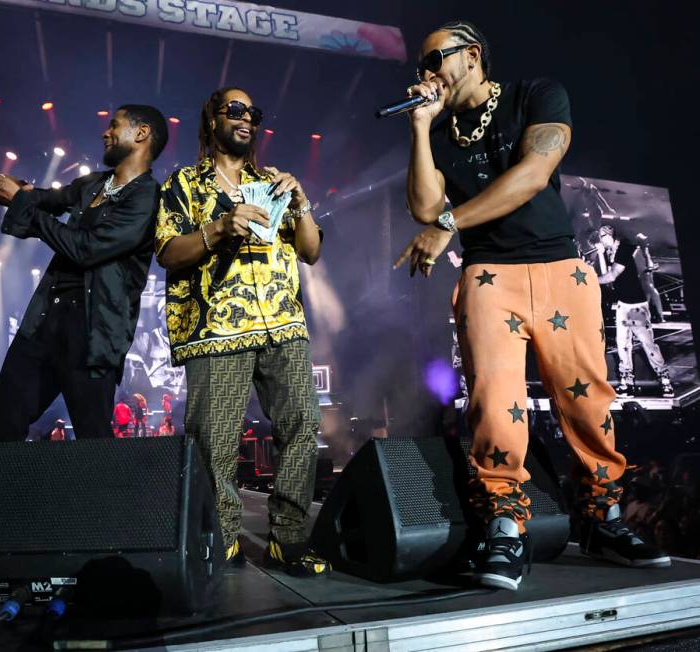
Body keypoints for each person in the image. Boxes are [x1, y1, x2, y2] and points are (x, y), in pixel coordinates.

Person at [394, 20, 670, 591]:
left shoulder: (536, 96)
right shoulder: (442, 133)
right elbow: (424, 208)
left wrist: (451, 222)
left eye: (434, 60)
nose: (425, 74)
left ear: (471, 56)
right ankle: (505, 527)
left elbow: (533, 173)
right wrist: (421, 126)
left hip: (559, 268)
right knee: (496, 405)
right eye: (419, 67)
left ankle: (604, 519)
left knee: (589, 400)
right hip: (489, 276)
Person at [156, 87, 328, 576]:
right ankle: (223, 538)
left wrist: (302, 202)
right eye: (234, 110)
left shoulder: (272, 182)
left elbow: (311, 251)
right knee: (214, 440)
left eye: (253, 112)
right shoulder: (185, 183)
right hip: (216, 329)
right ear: (211, 120)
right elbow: (167, 252)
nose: (246, 118)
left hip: (283, 322)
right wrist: (221, 227)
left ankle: (288, 539)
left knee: (303, 425)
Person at [0, 105, 168, 441]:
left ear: (141, 134)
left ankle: (102, 494)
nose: (105, 132)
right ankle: (2, 494)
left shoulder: (147, 198)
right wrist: (15, 190)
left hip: (95, 331)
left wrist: (25, 207)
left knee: (91, 435)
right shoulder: (92, 184)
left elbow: (87, 248)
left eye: (114, 125)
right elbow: (49, 199)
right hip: (45, 319)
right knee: (2, 415)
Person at [595, 226, 674, 397]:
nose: (600, 240)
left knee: (648, 344)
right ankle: (627, 382)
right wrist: (601, 254)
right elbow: (607, 277)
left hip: (636, 306)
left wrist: (588, 280)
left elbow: (611, 276)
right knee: (622, 344)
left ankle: (665, 380)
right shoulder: (612, 253)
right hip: (623, 304)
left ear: (610, 236)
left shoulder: (624, 249)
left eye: (602, 236)